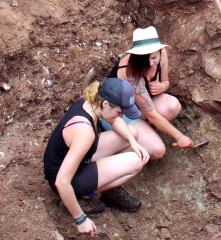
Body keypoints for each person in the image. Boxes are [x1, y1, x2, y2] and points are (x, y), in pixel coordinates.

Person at [43, 78, 150, 236]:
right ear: (106, 104)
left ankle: (102, 184)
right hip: (67, 181)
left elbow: (115, 121)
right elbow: (61, 182)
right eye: (119, 111)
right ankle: (81, 198)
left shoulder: (90, 101)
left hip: (75, 159)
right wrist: (80, 220)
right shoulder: (85, 133)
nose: (120, 116)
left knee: (132, 133)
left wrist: (132, 142)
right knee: (136, 162)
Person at [102, 26, 194, 159]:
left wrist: (162, 87)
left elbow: (165, 81)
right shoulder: (130, 71)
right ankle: (121, 144)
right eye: (146, 60)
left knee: (172, 106)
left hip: (138, 107)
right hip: (118, 112)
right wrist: (179, 136)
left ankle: (145, 131)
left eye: (154, 58)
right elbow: (151, 114)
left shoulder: (162, 52)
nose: (151, 64)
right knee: (158, 150)